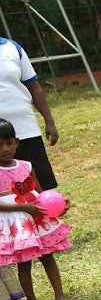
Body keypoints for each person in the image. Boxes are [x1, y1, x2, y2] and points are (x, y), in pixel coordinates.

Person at [0, 117, 70, 300]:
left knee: (48, 257)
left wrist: (58, 206)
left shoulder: (26, 166)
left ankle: (60, 295)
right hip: (17, 223)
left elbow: (40, 193)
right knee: (25, 264)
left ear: (17, 142)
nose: (5, 149)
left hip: (36, 217)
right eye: (0, 145)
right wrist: (22, 209)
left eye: (9, 143)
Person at [0, 35, 61, 191]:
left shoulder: (13, 48)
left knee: (39, 184)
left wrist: (49, 121)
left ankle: (46, 214)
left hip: (25, 128)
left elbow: (33, 86)